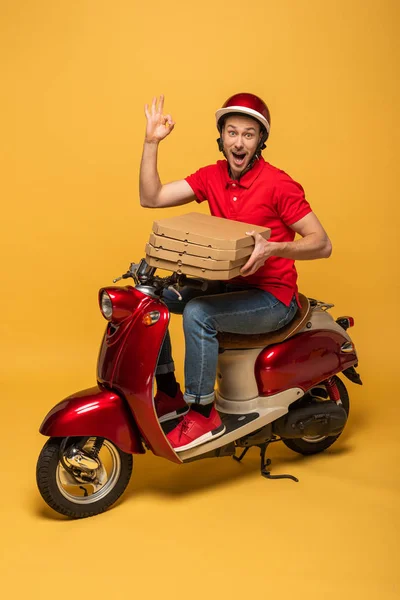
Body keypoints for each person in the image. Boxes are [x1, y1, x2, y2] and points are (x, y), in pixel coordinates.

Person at [139, 93, 332, 452]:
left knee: (198, 314)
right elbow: (151, 197)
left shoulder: (278, 184)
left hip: (272, 298)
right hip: (228, 286)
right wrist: (151, 142)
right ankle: (168, 392)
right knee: (153, 300)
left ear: (260, 141)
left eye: (248, 134)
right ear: (221, 137)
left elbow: (323, 244)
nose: (238, 142)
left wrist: (275, 247)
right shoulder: (211, 176)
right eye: (232, 132)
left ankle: (202, 412)